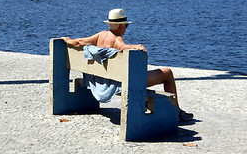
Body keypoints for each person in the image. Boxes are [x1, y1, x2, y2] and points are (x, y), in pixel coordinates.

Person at [62, 8, 193, 121]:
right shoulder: (117, 39)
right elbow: (122, 47)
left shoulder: (100, 35)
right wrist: (136, 46)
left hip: (104, 81)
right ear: (120, 26)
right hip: (123, 82)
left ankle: (176, 110)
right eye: (126, 25)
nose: (125, 28)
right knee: (167, 73)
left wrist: (67, 40)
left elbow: (79, 42)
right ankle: (177, 111)